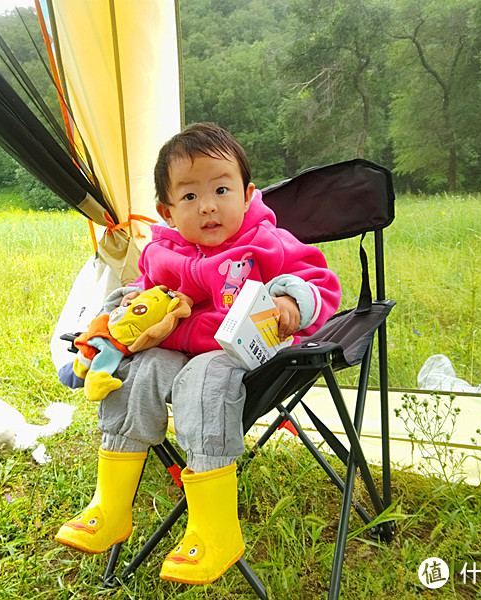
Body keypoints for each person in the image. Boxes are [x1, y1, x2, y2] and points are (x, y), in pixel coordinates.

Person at [55, 122, 341, 585]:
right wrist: (126, 308)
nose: (208, 205)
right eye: (189, 197)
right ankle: (110, 506)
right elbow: (145, 293)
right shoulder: (161, 252)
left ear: (247, 195)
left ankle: (215, 528)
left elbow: (319, 282)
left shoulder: (266, 242)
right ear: (166, 212)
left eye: (221, 189)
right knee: (139, 371)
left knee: (204, 378)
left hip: (242, 351)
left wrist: (291, 301)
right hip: (175, 348)